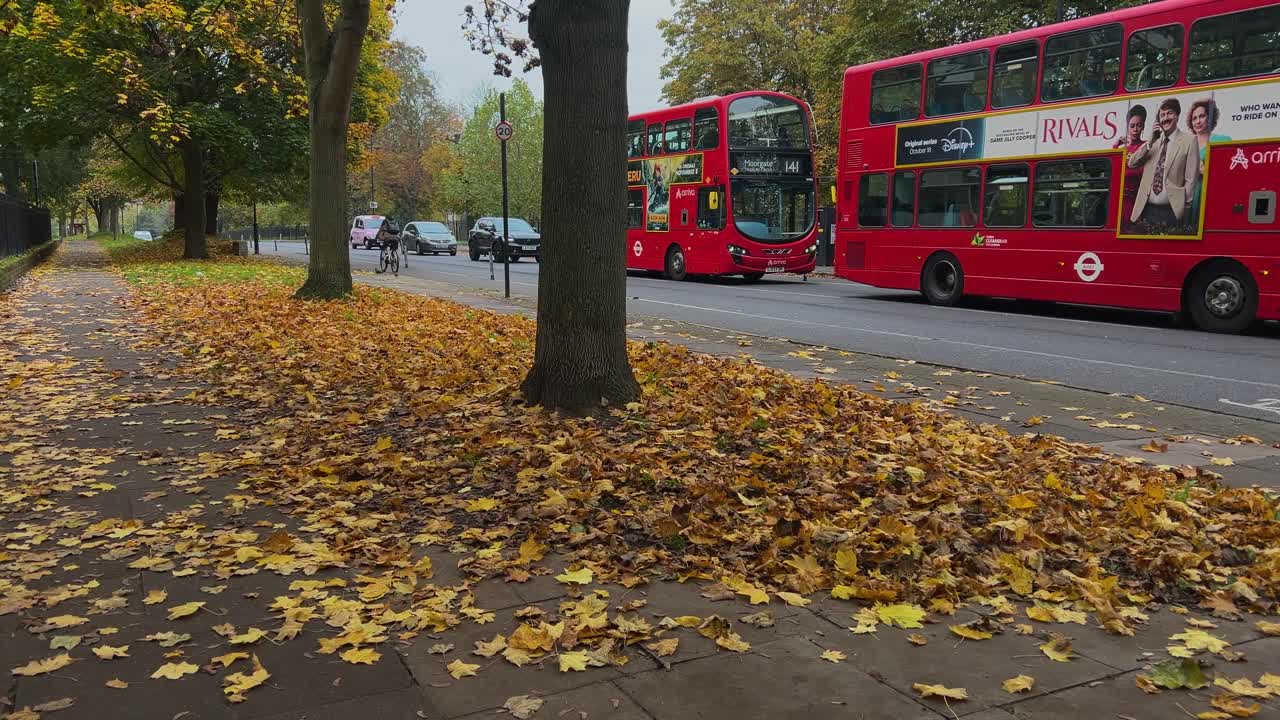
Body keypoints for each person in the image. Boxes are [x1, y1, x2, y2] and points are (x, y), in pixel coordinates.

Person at [1127, 97, 1198, 234]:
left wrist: (1184, 207)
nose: (1165, 118)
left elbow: (1191, 179)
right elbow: (1132, 163)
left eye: (1169, 113)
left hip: (1172, 211)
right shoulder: (1153, 142)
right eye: (1162, 115)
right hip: (1146, 210)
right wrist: (1151, 140)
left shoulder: (1189, 141)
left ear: (1177, 115)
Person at [1187, 98, 1230, 228]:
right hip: (1187, 198)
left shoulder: (1222, 140)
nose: (1198, 121)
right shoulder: (1186, 143)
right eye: (1194, 118)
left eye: (1202, 116)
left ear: (1210, 117)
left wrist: (1202, 170)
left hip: (1208, 197)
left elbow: (1226, 177)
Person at [1114, 104, 1147, 230]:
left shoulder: (1146, 146)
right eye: (1132, 126)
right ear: (1127, 127)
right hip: (1120, 199)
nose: (1135, 129)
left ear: (1143, 126)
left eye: (1138, 126)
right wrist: (1115, 147)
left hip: (1136, 199)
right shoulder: (1123, 149)